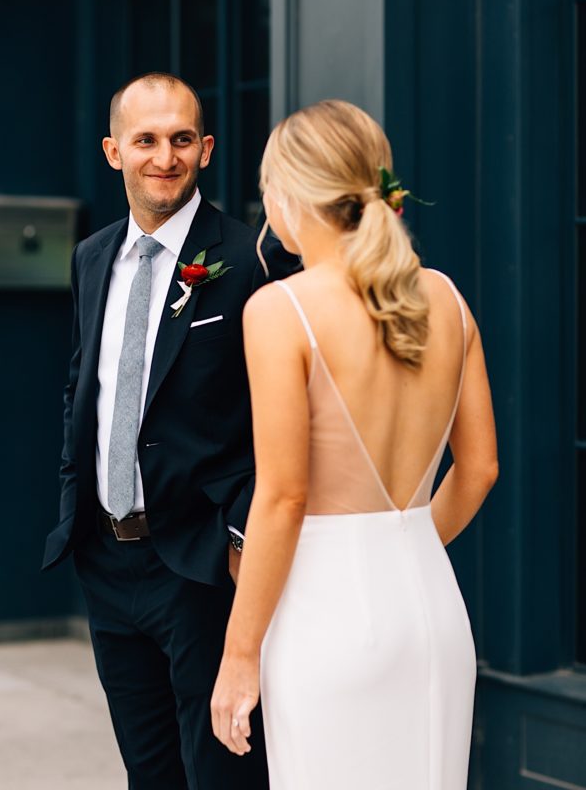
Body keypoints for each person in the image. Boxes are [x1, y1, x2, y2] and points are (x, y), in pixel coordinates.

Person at [211, 99, 499, 789]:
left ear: (289, 197)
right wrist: (401, 547)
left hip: (325, 616)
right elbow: (479, 468)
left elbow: (281, 497)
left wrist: (239, 654)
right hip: (431, 609)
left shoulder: (281, 310)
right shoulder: (447, 298)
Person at [42, 72, 296, 790]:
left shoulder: (252, 262)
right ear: (113, 151)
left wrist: (237, 539)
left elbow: (281, 421)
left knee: (222, 775)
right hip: (105, 559)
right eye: (145, 140)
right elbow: (82, 387)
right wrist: (75, 508)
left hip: (201, 567)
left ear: (207, 148)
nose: (165, 156)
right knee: (148, 773)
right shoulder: (91, 257)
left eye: (182, 139)